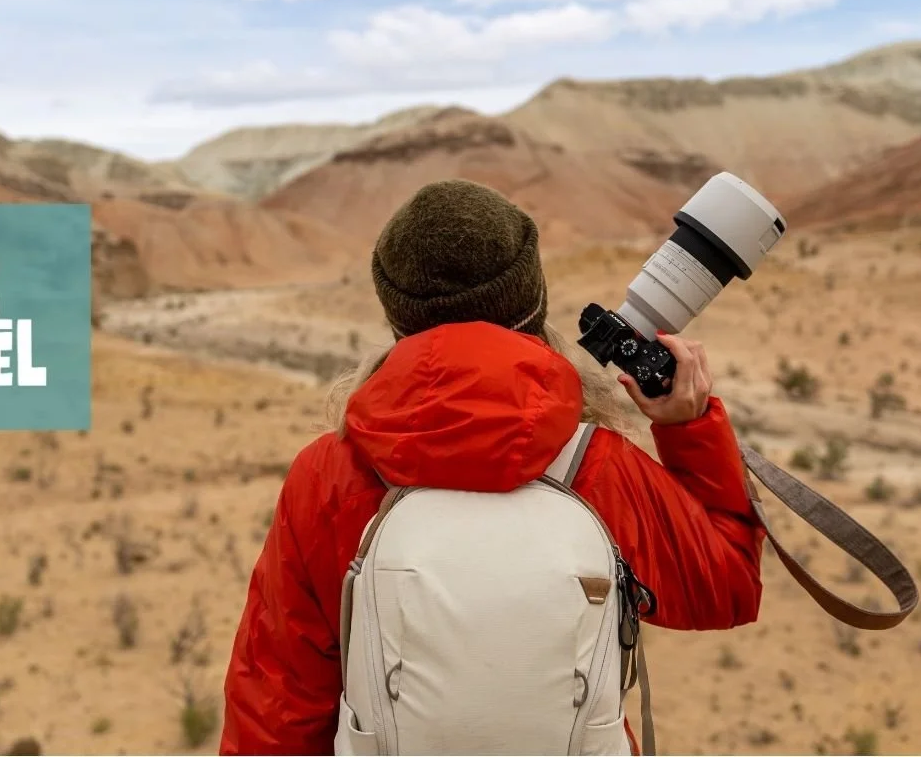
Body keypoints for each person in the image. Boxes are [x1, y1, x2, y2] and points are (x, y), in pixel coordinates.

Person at [220, 179, 766, 755]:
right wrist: (690, 427)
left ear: (397, 315)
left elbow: (276, 699)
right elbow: (726, 587)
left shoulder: (327, 476)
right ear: (532, 303)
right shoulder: (595, 466)